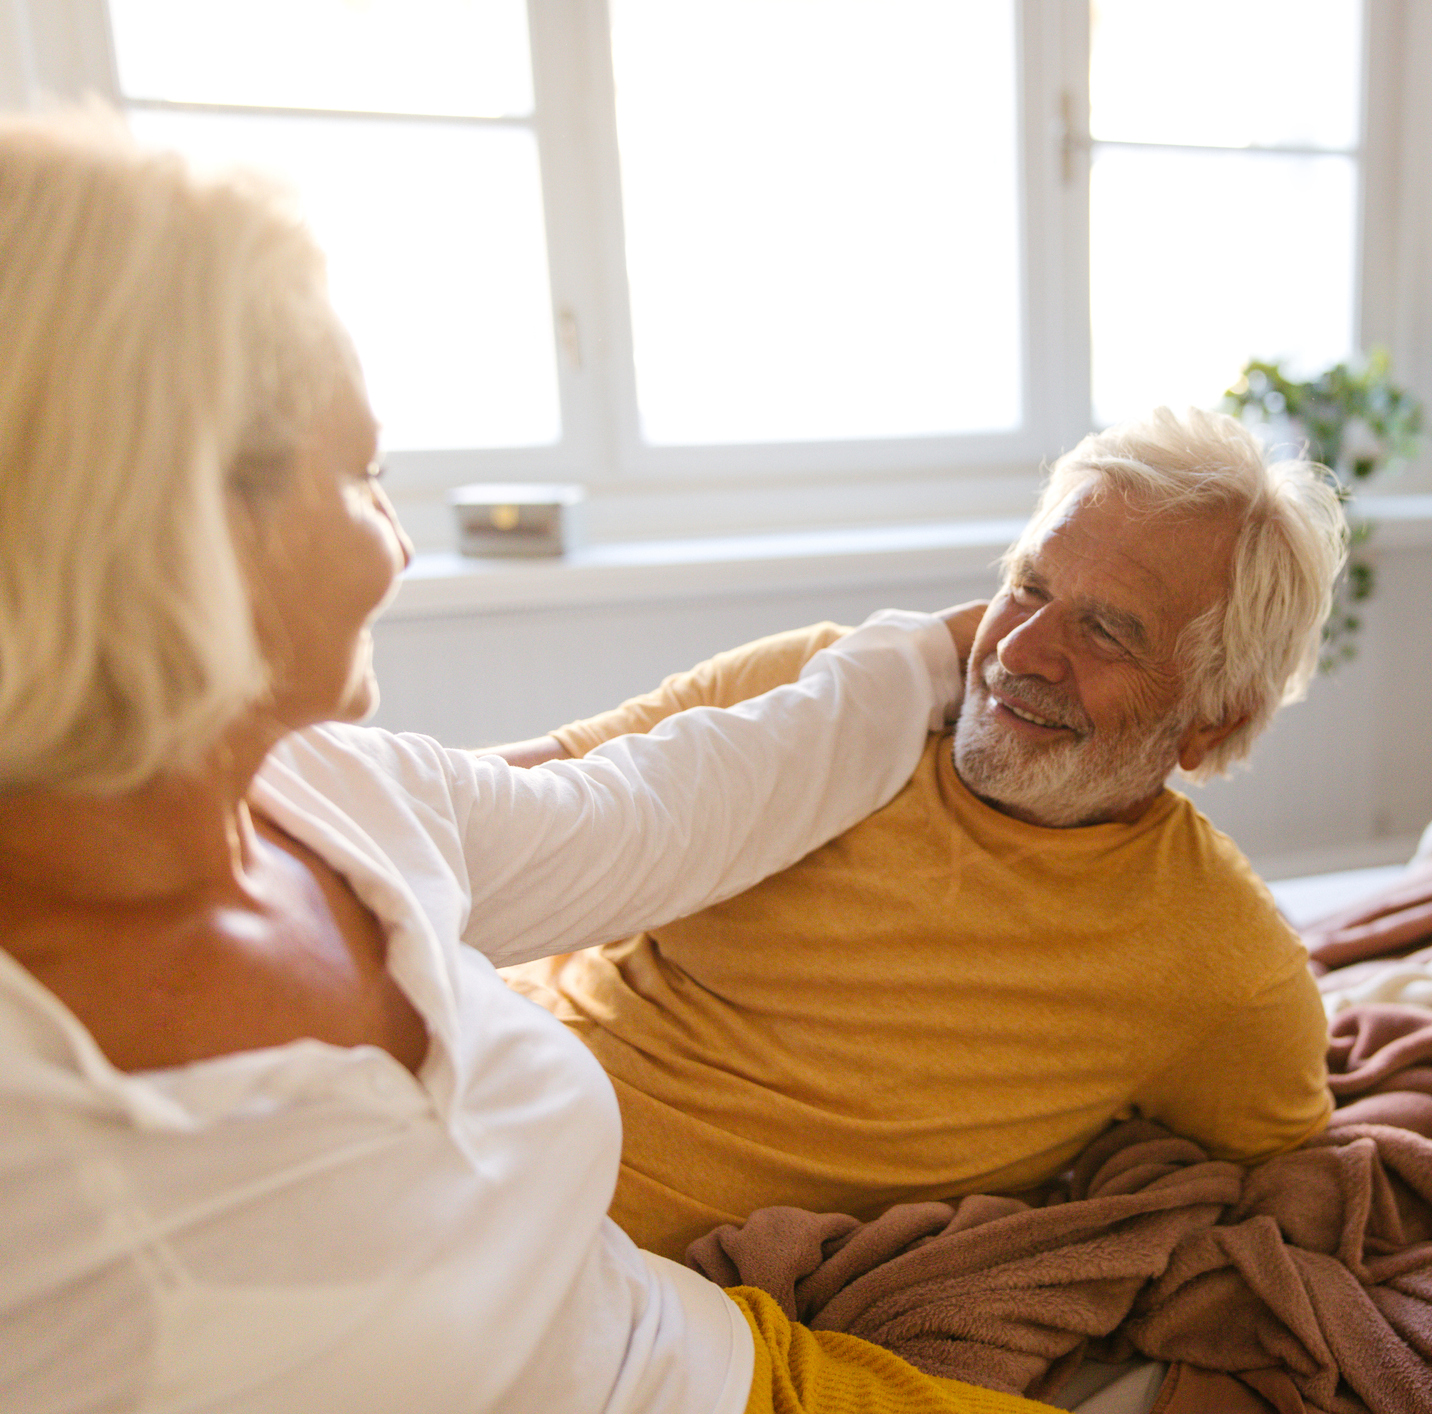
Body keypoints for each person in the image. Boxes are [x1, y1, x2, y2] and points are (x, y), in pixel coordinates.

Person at [0, 113, 1056, 1414]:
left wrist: (952, 647)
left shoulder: (337, 792)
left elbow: (663, 805)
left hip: (740, 1375)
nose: (396, 546)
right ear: (183, 533)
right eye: (364, 478)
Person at [497, 407, 1350, 1260]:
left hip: (559, 1258)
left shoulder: (1220, 966)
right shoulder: (824, 687)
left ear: (1210, 721)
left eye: (1105, 631)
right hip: (467, 1066)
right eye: (1029, 586)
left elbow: (1298, 1171)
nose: (1019, 651)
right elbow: (499, 802)